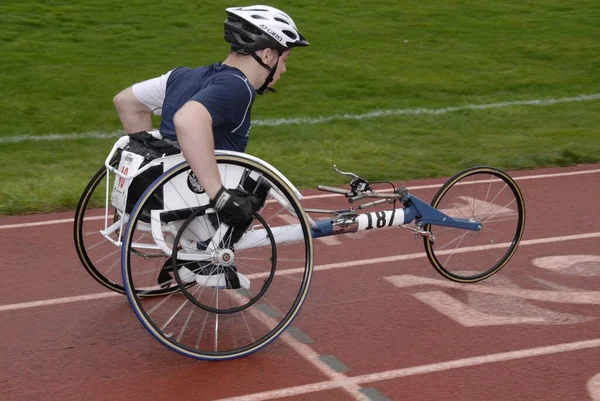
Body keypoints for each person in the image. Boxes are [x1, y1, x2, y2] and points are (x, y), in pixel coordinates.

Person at [111, 5, 309, 289]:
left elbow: (126, 102)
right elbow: (188, 120)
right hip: (195, 207)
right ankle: (205, 263)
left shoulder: (183, 75)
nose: (284, 69)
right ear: (267, 55)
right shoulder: (238, 87)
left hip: (161, 197)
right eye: (285, 59)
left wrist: (154, 156)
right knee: (255, 183)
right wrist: (219, 196)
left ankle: (190, 252)